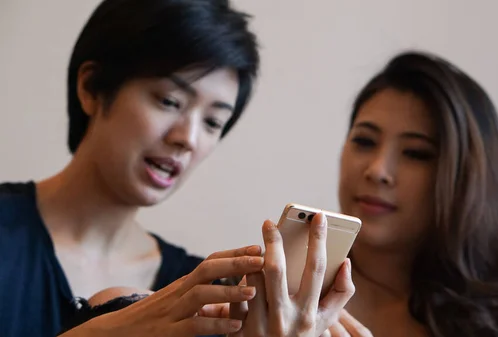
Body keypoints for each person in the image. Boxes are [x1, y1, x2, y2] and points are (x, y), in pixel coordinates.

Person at [0, 0, 354, 336]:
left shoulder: (205, 291)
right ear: (91, 87)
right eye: (169, 101)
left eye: (213, 123)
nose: (188, 138)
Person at [323, 51, 498, 337]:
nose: (378, 170)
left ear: (467, 176)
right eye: (365, 141)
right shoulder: (284, 289)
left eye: (416, 153)